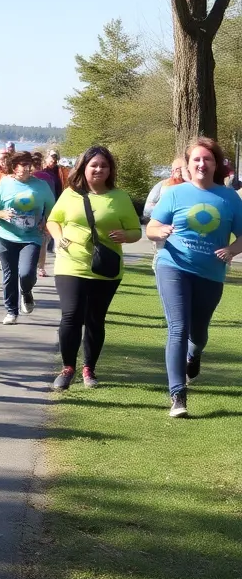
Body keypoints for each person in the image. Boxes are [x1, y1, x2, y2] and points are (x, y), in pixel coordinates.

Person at [147, 137, 242, 418]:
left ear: (216, 164)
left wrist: (232, 250)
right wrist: (160, 232)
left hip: (211, 273)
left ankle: (194, 354)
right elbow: (152, 226)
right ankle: (178, 395)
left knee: (198, 333)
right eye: (196, 160)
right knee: (178, 327)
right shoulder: (175, 194)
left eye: (207, 159)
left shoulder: (229, 198)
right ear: (188, 166)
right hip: (173, 266)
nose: (202, 164)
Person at [45, 146, 141, 391]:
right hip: (71, 263)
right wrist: (58, 238)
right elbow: (53, 220)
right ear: (84, 168)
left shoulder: (119, 197)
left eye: (104, 166)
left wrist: (125, 235)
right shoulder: (70, 194)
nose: (99, 169)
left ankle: (89, 368)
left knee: (95, 319)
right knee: (71, 315)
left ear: (110, 170)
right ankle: (67, 368)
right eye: (94, 165)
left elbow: (136, 231)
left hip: (105, 266)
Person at [0, 152, 56, 325]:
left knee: (26, 273)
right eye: (20, 164)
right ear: (13, 166)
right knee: (9, 275)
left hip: (31, 236)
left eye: (27, 164)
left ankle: (26, 291)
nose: (24, 168)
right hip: (6, 235)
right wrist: (2, 214)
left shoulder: (41, 186)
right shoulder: (5, 184)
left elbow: (53, 211)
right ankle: (11, 311)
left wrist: (46, 223)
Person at [142, 157, 187, 270]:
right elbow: (147, 209)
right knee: (162, 260)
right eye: (178, 169)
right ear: (172, 170)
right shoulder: (162, 185)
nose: (180, 172)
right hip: (163, 231)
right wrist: (165, 212)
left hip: (185, 234)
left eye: (184, 169)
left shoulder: (192, 187)